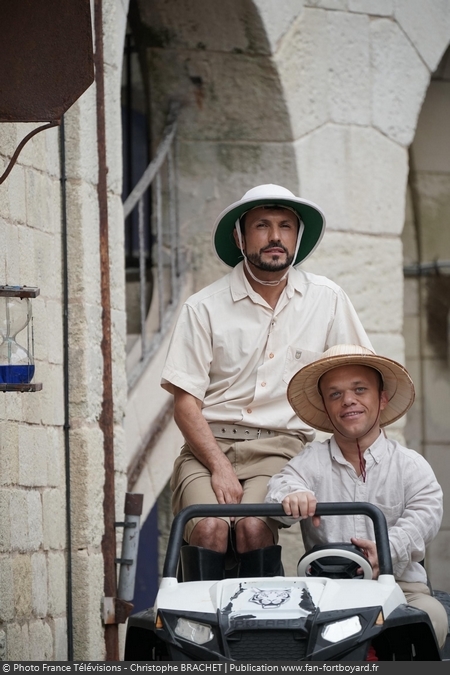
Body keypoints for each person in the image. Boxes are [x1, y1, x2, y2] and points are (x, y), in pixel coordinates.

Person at [161, 184, 373, 576]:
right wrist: (219, 466)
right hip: (207, 447)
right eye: (262, 225)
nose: (276, 237)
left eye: (286, 226)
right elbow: (185, 403)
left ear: (297, 236)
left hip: (280, 448)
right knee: (207, 528)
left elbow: (359, 377)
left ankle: (263, 628)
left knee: (252, 526)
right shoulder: (202, 307)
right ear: (239, 237)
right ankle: (193, 630)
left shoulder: (327, 299)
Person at [265, 344, 448, 648]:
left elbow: (426, 514)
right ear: (326, 407)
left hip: (402, 587)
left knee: (431, 618)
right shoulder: (310, 461)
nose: (348, 400)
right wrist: (293, 496)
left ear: (382, 398)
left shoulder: (410, 465)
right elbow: (278, 490)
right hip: (326, 591)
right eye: (335, 394)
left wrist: (387, 549)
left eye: (359, 389)